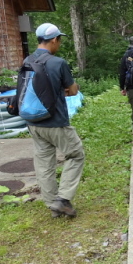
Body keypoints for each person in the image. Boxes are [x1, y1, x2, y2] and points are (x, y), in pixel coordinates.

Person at [27, 23, 85, 218]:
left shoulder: (27, 60)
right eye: (59, 40)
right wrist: (65, 89)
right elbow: (73, 90)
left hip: (33, 122)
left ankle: (52, 204)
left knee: (44, 163)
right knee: (75, 154)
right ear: (53, 39)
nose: (59, 44)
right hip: (55, 121)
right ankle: (63, 200)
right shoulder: (57, 63)